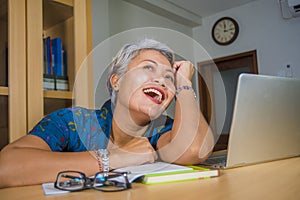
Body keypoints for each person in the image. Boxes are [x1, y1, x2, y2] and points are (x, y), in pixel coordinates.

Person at [0, 38, 215, 188]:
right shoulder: (72, 122)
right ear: (117, 80)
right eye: (148, 68)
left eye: (169, 77)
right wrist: (113, 158)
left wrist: (184, 84)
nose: (161, 80)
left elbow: (194, 149)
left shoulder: (163, 131)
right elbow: (7, 167)